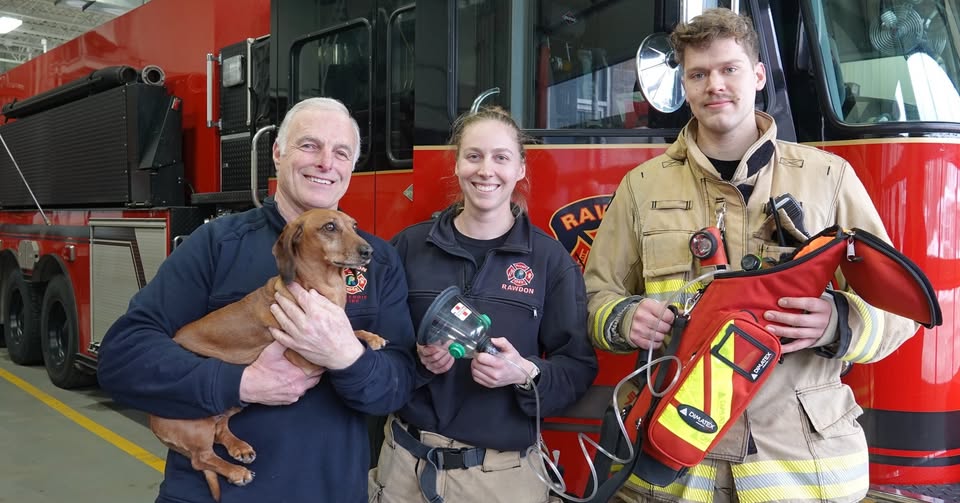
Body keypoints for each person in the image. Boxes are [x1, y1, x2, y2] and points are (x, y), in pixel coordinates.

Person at [583, 8, 918, 503]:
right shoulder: (642, 187)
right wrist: (623, 318)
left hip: (801, 468)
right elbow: (595, 295)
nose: (714, 85)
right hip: (673, 467)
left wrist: (835, 324)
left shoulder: (828, 177)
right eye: (698, 74)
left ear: (758, 75)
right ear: (684, 85)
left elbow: (899, 309)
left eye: (729, 69)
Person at [97, 97, 416, 503]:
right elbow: (122, 359)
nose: (325, 162)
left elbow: (398, 386)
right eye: (309, 145)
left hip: (332, 493)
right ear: (277, 153)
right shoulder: (216, 244)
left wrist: (347, 356)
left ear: (351, 167)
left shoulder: (379, 259)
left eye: (341, 152)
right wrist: (241, 383)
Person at [370, 106, 598, 503]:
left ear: (521, 169)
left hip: (502, 480)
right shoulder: (408, 247)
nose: (485, 170)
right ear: (456, 165)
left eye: (501, 157)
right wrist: (419, 363)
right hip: (405, 468)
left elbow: (578, 369)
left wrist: (525, 372)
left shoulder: (549, 261)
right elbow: (375, 352)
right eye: (473, 156)